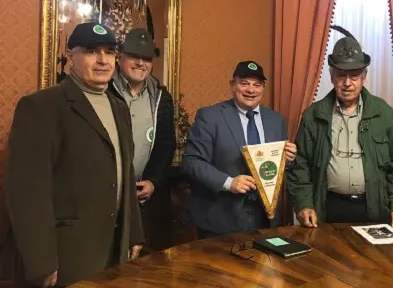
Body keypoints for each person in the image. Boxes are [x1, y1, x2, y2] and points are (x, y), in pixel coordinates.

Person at [5, 22, 144, 287]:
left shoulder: (119, 107)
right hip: (67, 252)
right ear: (71, 57)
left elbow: (125, 172)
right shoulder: (41, 106)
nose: (103, 60)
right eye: (92, 51)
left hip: (115, 247)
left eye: (110, 52)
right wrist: (41, 261)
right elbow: (27, 191)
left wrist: (133, 233)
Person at [287, 26, 393, 229]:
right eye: (341, 75)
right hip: (327, 209)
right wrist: (303, 203)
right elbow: (300, 167)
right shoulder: (313, 115)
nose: (347, 83)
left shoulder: (383, 113)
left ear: (364, 77)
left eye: (354, 76)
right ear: (332, 76)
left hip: (374, 209)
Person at [181, 61, 297, 238]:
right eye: (244, 83)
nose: (251, 90)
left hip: (264, 219)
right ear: (232, 85)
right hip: (220, 219)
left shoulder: (276, 121)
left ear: (263, 88)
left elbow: (276, 168)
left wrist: (287, 160)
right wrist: (229, 182)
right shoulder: (210, 116)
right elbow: (191, 162)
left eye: (257, 85)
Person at [109, 28, 176, 203]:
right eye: (134, 56)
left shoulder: (162, 98)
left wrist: (153, 182)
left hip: (142, 196)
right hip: (105, 192)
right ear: (120, 57)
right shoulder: (103, 91)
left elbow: (166, 145)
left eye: (146, 58)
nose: (140, 63)